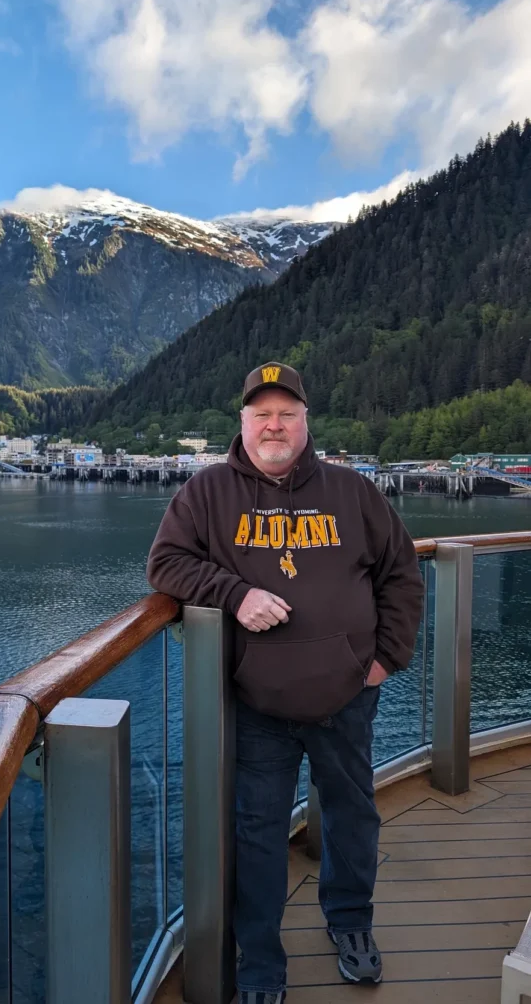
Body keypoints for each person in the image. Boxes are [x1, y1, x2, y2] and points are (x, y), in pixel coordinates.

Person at [147, 362, 424, 1004]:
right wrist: (234, 593)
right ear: (242, 423)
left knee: (354, 818)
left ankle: (352, 926)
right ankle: (261, 966)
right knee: (257, 834)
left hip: (347, 697)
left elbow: (402, 575)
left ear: (306, 422)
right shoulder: (209, 493)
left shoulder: (354, 493)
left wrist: (384, 660)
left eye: (287, 413)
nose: (274, 425)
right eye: (261, 414)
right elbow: (164, 563)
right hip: (259, 706)